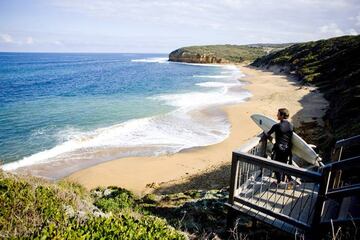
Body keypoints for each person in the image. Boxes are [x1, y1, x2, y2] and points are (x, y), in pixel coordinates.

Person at [261, 108, 293, 184]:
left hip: (278, 149)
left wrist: (264, 134)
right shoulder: (291, 125)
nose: (277, 115)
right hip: (287, 149)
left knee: (275, 165)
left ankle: (279, 182)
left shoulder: (277, 126)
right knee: (284, 165)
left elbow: (267, 134)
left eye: (278, 114)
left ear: (282, 115)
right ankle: (284, 180)